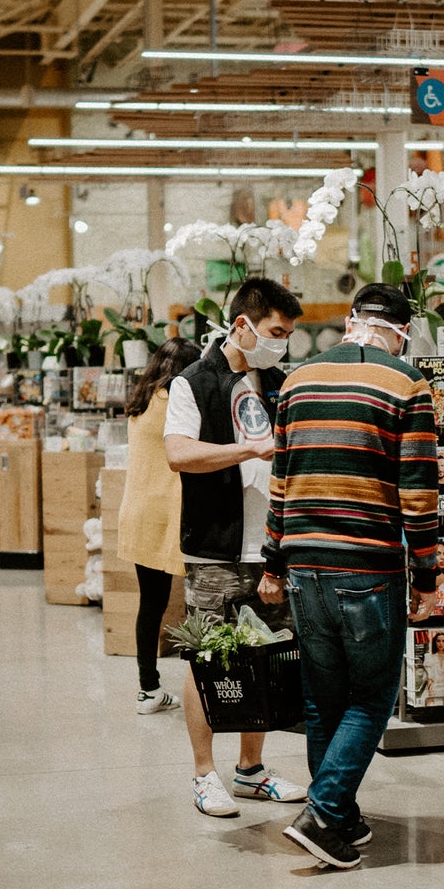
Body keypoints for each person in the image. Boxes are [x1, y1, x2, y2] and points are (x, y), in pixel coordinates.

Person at [259, 283, 443, 869]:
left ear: (349, 322)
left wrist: (271, 561)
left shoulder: (295, 380)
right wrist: (428, 573)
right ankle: (323, 809)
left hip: (303, 565)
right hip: (367, 567)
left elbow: (280, 483)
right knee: (371, 699)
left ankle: (341, 818)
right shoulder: (407, 383)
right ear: (402, 332)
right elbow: (417, 490)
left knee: (324, 700)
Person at [163, 277, 310, 818]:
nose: (282, 342)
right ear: (242, 325)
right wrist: (246, 449)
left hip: (273, 545)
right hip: (216, 544)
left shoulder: (281, 383)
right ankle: (205, 775)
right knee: (209, 660)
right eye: (276, 331)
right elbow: (178, 453)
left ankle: (251, 770)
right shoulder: (194, 382)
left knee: (265, 658)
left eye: (289, 334)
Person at [116, 337, 201, 715]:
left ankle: (147, 688)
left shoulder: (142, 401)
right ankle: (206, 687)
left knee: (150, 603)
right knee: (199, 601)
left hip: (138, 511)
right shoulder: (175, 403)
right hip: (171, 513)